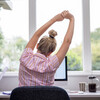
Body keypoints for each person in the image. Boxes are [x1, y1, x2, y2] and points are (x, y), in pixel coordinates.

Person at [19, 10, 74, 86]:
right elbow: (67, 42)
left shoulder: (25, 57)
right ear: (51, 52)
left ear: (37, 45)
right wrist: (71, 18)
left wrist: (54, 19)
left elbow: (36, 35)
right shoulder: (51, 64)